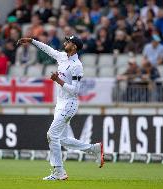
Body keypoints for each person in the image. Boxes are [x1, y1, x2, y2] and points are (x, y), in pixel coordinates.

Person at [17, 36, 104, 180]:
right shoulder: (63, 57)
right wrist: (32, 41)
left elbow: (75, 90)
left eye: (68, 42)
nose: (65, 43)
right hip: (60, 103)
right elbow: (48, 49)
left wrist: (58, 80)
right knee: (62, 139)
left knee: (52, 135)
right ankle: (94, 149)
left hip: (69, 104)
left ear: (74, 47)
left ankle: (59, 172)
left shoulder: (77, 65)